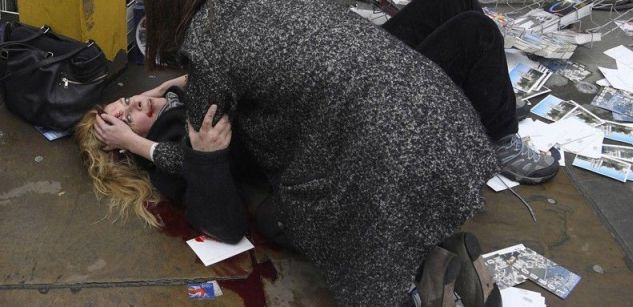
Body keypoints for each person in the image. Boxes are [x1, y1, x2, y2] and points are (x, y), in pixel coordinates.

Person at [96, 0, 553, 305]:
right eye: (126, 114)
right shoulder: (195, 119)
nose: (135, 101)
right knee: (311, 223)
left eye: (127, 99)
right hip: (441, 126)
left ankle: (424, 276)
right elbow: (213, 193)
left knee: (364, 263)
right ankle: (433, 271)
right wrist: (139, 143)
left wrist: (167, 89)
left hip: (387, 136)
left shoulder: (205, 71)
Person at [75, 82, 247, 244]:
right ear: (127, 143)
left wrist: (162, 89)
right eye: (129, 118)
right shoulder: (168, 148)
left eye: (126, 100)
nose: (136, 103)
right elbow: (188, 162)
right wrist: (132, 142)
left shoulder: (171, 98)